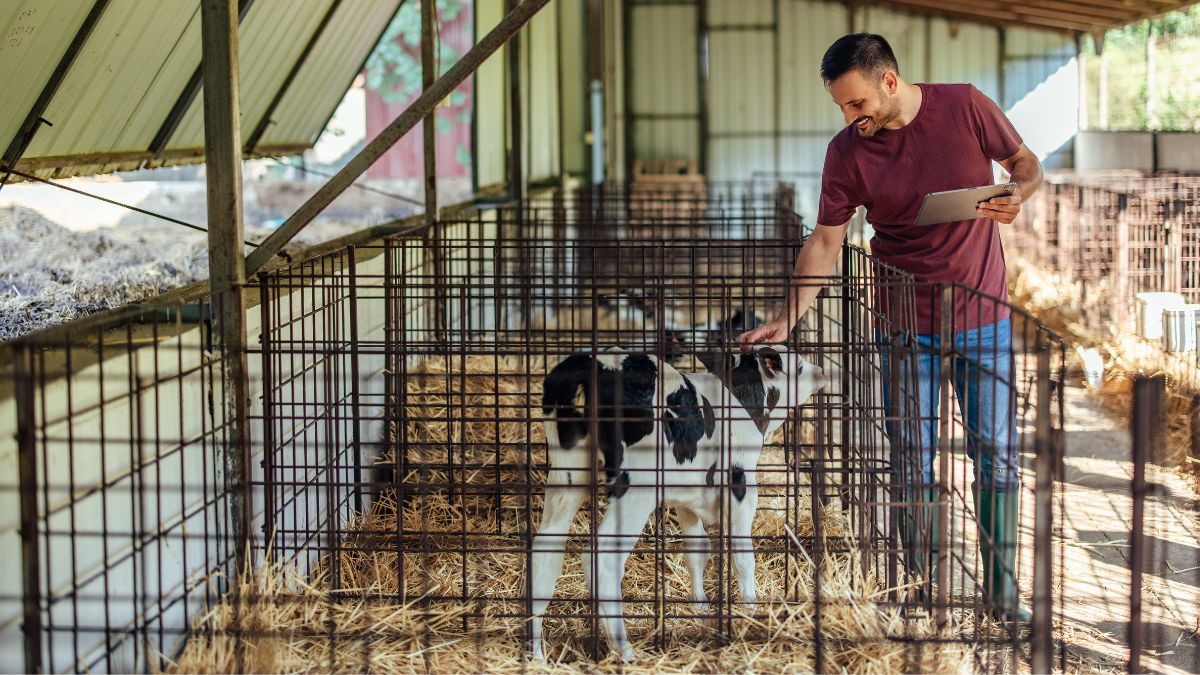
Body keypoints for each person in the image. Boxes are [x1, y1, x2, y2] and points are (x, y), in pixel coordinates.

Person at [738, 33, 1043, 625]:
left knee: (998, 458)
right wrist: (788, 317)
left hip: (984, 320)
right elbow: (826, 239)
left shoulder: (966, 106)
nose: (852, 118)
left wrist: (1016, 195)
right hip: (904, 328)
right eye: (842, 108)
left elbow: (1027, 165)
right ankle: (918, 587)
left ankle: (1003, 599)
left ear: (889, 82)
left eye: (857, 104)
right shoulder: (847, 152)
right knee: (908, 463)